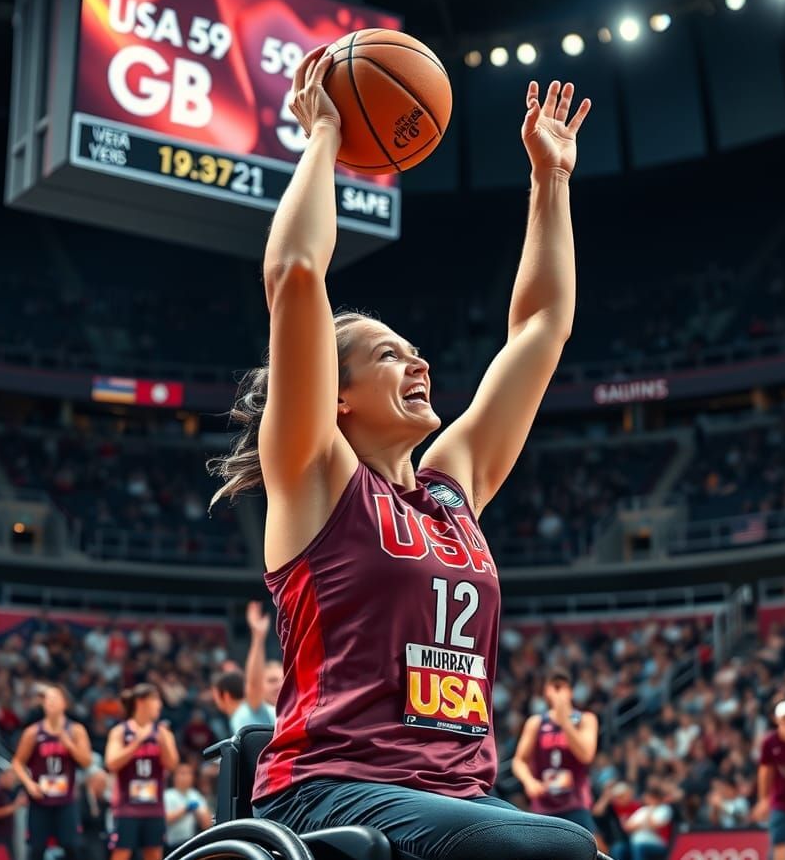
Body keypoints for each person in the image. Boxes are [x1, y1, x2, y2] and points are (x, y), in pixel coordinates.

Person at [207, 42, 595, 860]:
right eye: (389, 354)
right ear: (333, 394)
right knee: (558, 849)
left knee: (570, 844)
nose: (418, 363)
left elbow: (540, 328)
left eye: (415, 351)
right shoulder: (317, 477)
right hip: (329, 790)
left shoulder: (454, 492)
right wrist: (323, 136)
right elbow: (297, 273)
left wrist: (550, 182)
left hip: (455, 801)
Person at [511, 666, 599, 833]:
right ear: (546, 692)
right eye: (554, 687)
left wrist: (564, 721)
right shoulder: (536, 723)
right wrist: (529, 782)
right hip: (544, 806)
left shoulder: (586, 719)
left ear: (571, 692)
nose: (559, 693)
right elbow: (519, 761)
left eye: (563, 687)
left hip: (576, 803)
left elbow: (586, 755)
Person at [11, 683, 93, 860]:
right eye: (47, 699)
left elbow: (87, 761)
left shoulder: (76, 730)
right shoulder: (33, 732)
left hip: (66, 800)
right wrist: (29, 783)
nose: (51, 703)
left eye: (55, 698)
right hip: (40, 800)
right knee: (36, 849)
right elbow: (17, 762)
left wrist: (69, 745)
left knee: (71, 846)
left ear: (65, 703)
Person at [105, 683, 179, 860]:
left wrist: (163, 742)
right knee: (121, 854)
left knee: (154, 855)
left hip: (154, 808)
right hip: (126, 808)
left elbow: (173, 765)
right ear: (141, 702)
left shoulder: (162, 733)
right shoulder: (120, 731)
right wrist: (137, 742)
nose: (159, 705)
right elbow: (111, 763)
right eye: (155, 700)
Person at [752, 699, 785, 860]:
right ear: (776, 720)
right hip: (780, 802)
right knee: (780, 843)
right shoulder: (770, 742)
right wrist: (763, 799)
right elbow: (764, 771)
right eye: (784, 719)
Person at [163, 759, 213, 853]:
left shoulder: (195, 795)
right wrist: (185, 809)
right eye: (182, 773)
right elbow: (165, 819)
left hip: (190, 843)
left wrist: (198, 812)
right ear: (174, 777)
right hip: (170, 845)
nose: (186, 777)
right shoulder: (167, 795)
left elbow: (207, 824)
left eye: (189, 773)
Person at [245, 601, 284, 716]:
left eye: (283, 680)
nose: (280, 685)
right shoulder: (257, 710)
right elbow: (254, 686)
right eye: (272, 680)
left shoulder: (294, 712)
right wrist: (258, 637)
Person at [211, 670, 274, 735]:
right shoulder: (243, 712)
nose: (214, 701)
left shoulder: (242, 715)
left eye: (215, 696)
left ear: (226, 695)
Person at [0, 767, 26, 856]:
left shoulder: (8, 792)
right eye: (10, 779)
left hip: (8, 836)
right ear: (2, 777)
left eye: (14, 780)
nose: (12, 782)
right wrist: (16, 805)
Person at [79, 768, 111, 860]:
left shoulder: (103, 800)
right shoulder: (81, 796)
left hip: (104, 835)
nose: (104, 786)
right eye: (102, 783)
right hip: (87, 835)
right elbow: (87, 818)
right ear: (92, 782)